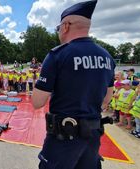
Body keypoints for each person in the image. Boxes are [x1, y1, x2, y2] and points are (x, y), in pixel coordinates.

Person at [31, 1, 115, 168]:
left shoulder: (58, 55)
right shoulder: (107, 57)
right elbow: (107, 99)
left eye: (58, 28)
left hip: (63, 139)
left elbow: (37, 102)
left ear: (66, 26)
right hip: (92, 136)